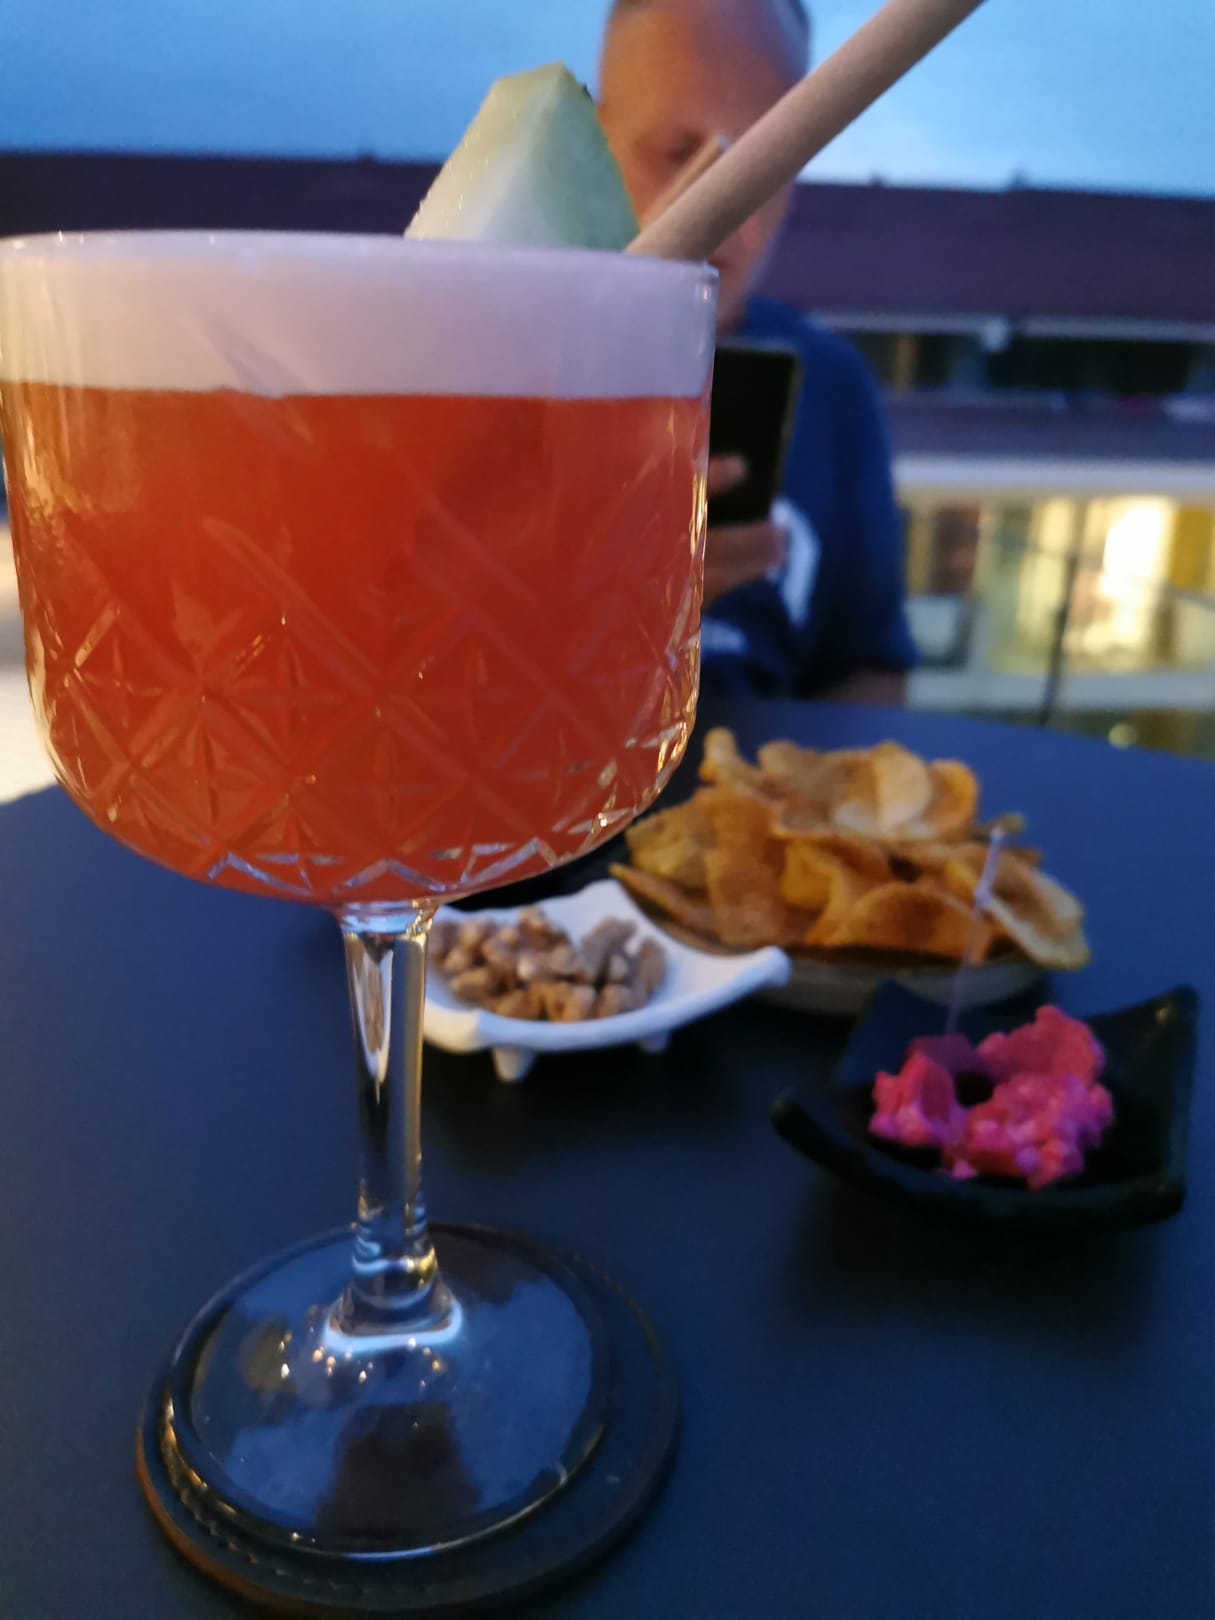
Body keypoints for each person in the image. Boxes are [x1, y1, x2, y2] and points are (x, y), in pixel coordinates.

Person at [598, 0, 917, 703]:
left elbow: (869, 665)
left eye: (764, 160)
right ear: (593, 140)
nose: (724, 201)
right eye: (678, 152)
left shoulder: (832, 386)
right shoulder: (490, 376)